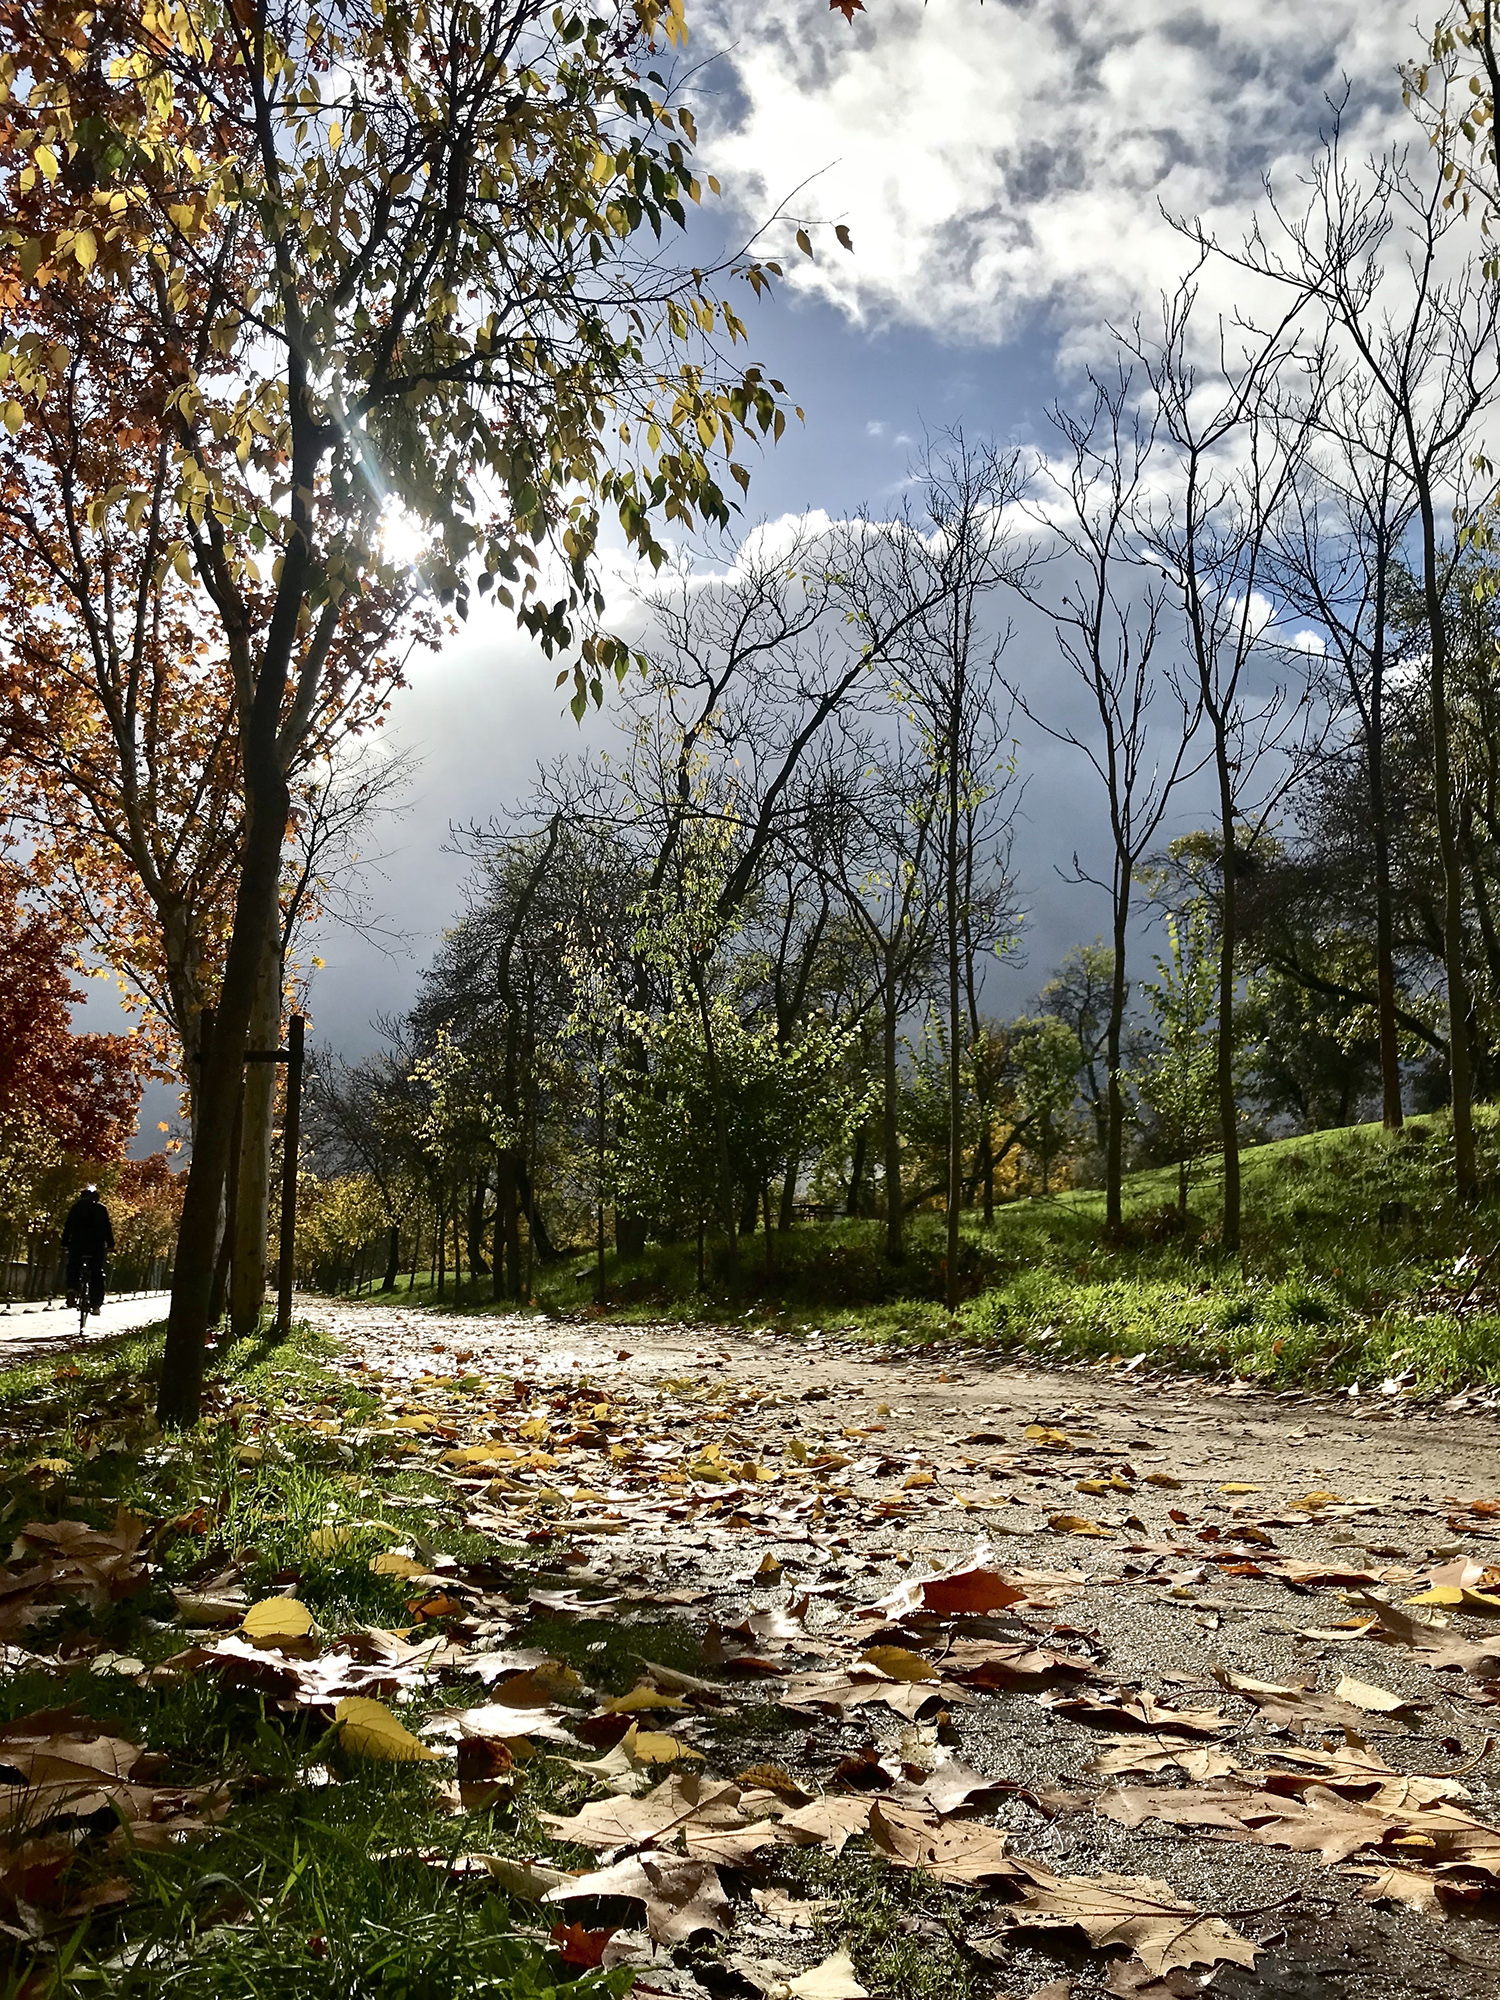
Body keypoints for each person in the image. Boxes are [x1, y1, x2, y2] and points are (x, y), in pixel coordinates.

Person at [62, 1184, 114, 1316]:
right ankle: (96, 1304)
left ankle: (71, 1290)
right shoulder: (101, 1209)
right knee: (97, 1272)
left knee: (73, 1266)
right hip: (96, 1246)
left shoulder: (76, 1208)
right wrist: (111, 1245)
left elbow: (68, 1226)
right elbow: (107, 1227)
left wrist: (64, 1243)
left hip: (77, 1244)